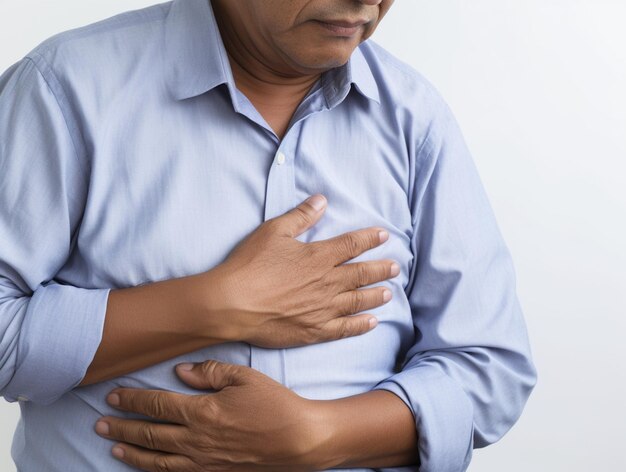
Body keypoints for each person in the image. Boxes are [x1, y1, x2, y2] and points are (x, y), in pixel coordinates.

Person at [0, 0, 537, 470]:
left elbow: (490, 372)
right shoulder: (62, 88)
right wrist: (219, 305)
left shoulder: (416, 119)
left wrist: (319, 437)